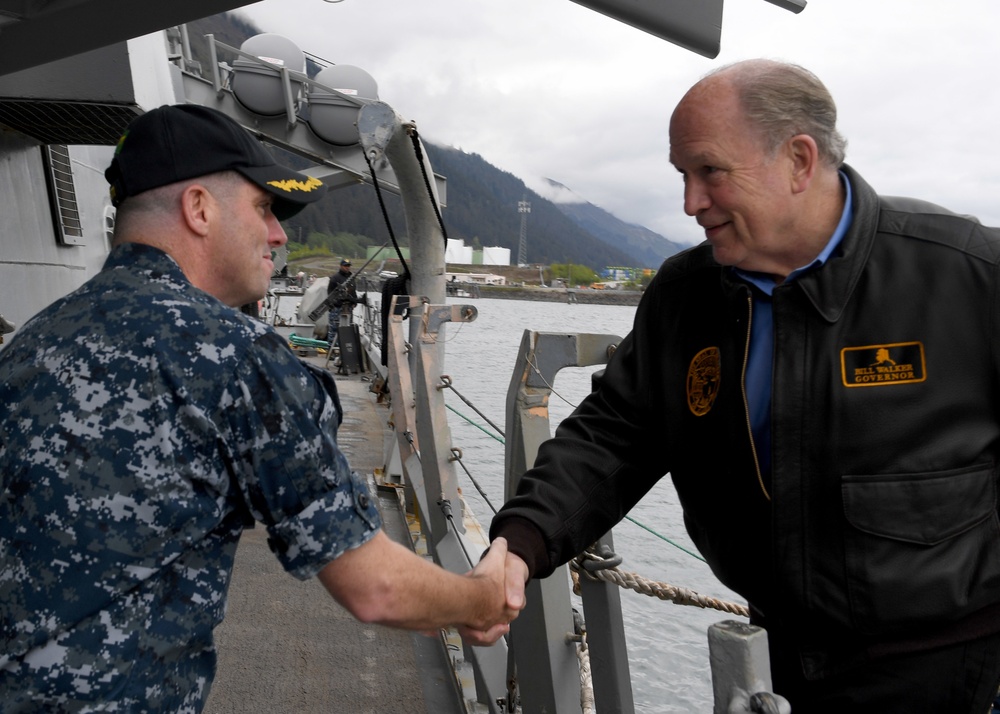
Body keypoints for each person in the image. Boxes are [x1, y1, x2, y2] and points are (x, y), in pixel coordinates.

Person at [488, 59, 1000, 713]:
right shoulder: (685, 296)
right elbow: (614, 435)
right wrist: (521, 543)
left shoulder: (967, 276)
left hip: (955, 673)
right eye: (682, 176)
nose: (690, 202)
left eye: (710, 172)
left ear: (798, 160)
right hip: (775, 656)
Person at [0, 104, 521, 712]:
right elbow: (375, 586)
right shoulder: (237, 356)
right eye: (265, 209)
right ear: (199, 209)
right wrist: (482, 599)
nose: (279, 235)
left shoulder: (31, 340)